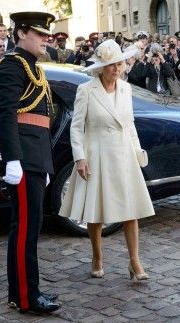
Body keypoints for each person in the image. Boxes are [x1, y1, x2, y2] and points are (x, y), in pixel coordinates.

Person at [59, 40, 154, 280]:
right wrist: (79, 158)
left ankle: (135, 262)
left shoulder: (126, 88)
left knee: (131, 210)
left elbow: (129, 123)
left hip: (124, 155)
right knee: (96, 211)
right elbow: (76, 127)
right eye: (112, 65)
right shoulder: (86, 90)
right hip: (97, 154)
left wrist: (137, 151)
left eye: (120, 64)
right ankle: (97, 256)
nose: (117, 69)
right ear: (101, 67)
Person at [0, 11, 61, 314]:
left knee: (31, 227)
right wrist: (13, 160)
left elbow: (41, 120)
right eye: (39, 34)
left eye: (47, 34)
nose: (46, 39)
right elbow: (5, 115)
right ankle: (24, 296)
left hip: (36, 156)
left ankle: (25, 290)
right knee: (24, 229)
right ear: (20, 33)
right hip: (23, 156)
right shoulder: (11, 65)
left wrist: (44, 162)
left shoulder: (33, 66)